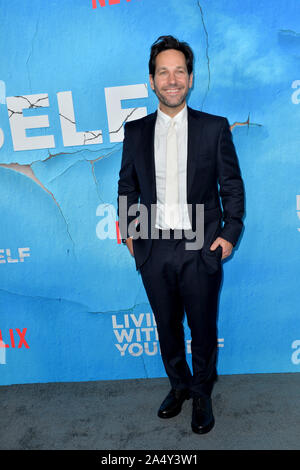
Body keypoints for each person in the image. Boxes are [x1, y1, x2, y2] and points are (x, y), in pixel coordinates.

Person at [117, 35, 244, 434]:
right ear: (151, 81)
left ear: (190, 78)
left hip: (199, 243)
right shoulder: (135, 132)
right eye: (162, 72)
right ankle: (179, 386)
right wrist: (134, 236)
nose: (171, 79)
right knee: (166, 325)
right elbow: (127, 187)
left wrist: (228, 234)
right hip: (154, 245)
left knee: (202, 326)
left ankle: (202, 392)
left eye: (179, 71)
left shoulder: (214, 128)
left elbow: (232, 188)